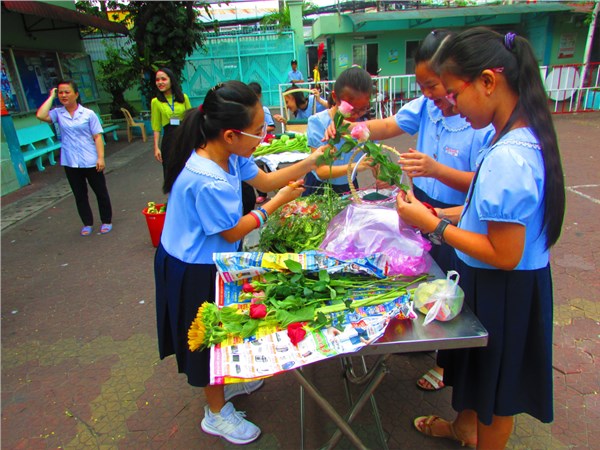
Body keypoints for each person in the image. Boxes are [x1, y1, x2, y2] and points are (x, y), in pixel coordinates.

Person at [396, 28, 565, 448]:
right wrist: (437, 214)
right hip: (499, 284)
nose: (451, 106)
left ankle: (479, 437)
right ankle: (463, 428)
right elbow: (485, 216)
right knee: (482, 383)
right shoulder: (512, 138)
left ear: (488, 81)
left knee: (497, 399)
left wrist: (434, 226)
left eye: (454, 93)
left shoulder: (509, 156)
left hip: (504, 288)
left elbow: (503, 253)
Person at [154, 80, 325, 445]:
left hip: (210, 258)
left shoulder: (229, 154)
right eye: (258, 131)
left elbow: (266, 178)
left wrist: (312, 161)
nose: (264, 137)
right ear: (231, 134)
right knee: (206, 338)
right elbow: (233, 231)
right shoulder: (207, 179)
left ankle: (224, 385)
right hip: (191, 267)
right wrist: (275, 203)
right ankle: (215, 414)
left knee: (223, 326)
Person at [326, 30, 494, 390]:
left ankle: (449, 363)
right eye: (423, 87)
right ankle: (431, 336)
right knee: (428, 276)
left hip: (458, 213)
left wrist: (436, 170)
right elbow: (387, 126)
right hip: (422, 206)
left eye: (433, 85)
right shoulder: (428, 107)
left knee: (456, 281)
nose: (428, 94)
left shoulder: (479, 120)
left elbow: (483, 183)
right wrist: (351, 128)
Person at [36, 80, 113, 236]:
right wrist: (51, 96)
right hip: (70, 161)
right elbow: (41, 115)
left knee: (100, 192)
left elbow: (97, 136)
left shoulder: (88, 114)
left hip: (90, 159)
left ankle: (106, 220)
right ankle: (87, 223)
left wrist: (101, 158)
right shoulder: (58, 113)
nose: (63, 95)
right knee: (79, 194)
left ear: (76, 94)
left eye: (67, 92)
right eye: (60, 92)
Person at [303, 66, 375, 196]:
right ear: (335, 97)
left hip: (349, 186)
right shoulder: (318, 122)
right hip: (320, 188)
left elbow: (375, 158)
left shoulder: (365, 125)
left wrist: (380, 174)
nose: (356, 115)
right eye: (352, 109)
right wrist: (356, 166)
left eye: (363, 109)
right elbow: (321, 171)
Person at [151, 67, 192, 179]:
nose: (160, 82)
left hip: (183, 138)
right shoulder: (155, 102)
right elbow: (156, 126)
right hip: (168, 140)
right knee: (170, 171)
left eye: (163, 79)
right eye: (157, 80)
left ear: (171, 80)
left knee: (186, 169)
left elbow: (191, 119)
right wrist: (156, 147)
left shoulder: (183, 98)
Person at [246, 82, 276, 205]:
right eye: (256, 132)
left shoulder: (241, 159)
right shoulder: (212, 182)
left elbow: (265, 181)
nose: (259, 138)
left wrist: (309, 163)